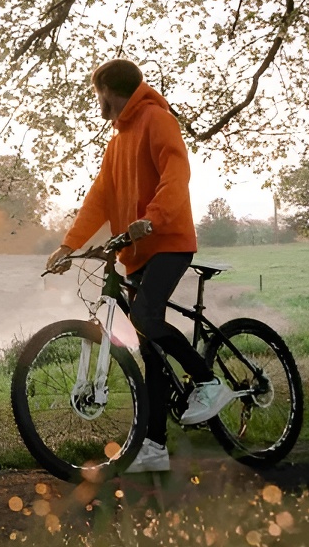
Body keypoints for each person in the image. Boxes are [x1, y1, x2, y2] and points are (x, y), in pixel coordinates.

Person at [46, 58, 235, 472]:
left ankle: (207, 381)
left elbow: (176, 171)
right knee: (148, 347)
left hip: (167, 240)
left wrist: (154, 216)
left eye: (98, 93)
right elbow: (98, 199)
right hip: (136, 252)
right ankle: (154, 447)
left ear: (110, 91)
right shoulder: (116, 143)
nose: (97, 101)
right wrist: (69, 245)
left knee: (147, 316)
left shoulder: (157, 119)